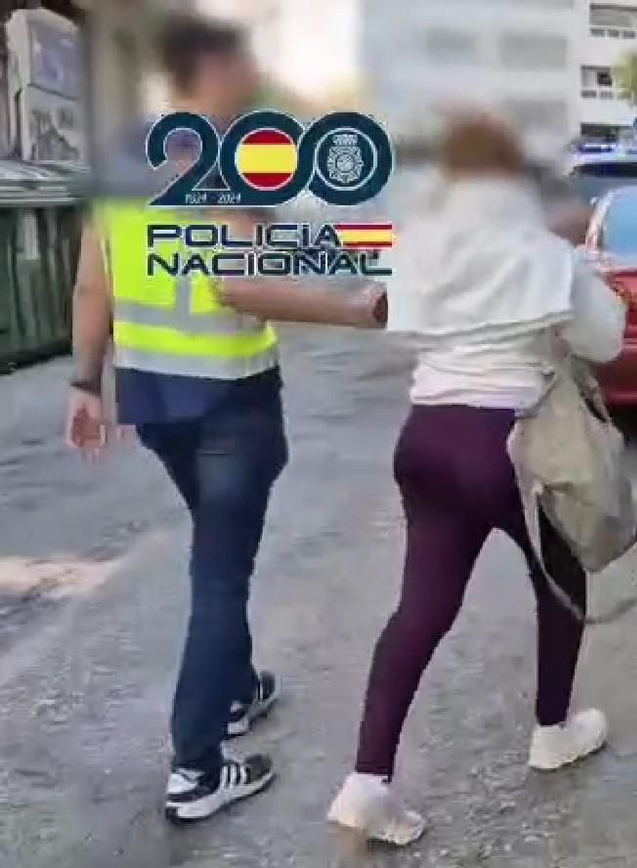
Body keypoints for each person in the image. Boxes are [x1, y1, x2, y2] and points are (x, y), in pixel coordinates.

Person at [66, 13, 386, 824]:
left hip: (154, 398)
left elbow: (91, 284)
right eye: (242, 59)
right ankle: (197, 767)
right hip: (227, 399)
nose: (253, 72)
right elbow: (237, 285)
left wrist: (83, 381)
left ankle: (236, 689)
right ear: (205, 65)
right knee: (219, 574)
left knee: (216, 548)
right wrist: (349, 309)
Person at [325, 114, 625, 845]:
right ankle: (552, 729)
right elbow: (606, 341)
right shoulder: (543, 252)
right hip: (516, 444)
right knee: (561, 579)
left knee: (420, 610)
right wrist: (590, 278)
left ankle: (366, 783)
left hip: (426, 436)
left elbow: (397, 323)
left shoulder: (414, 246)